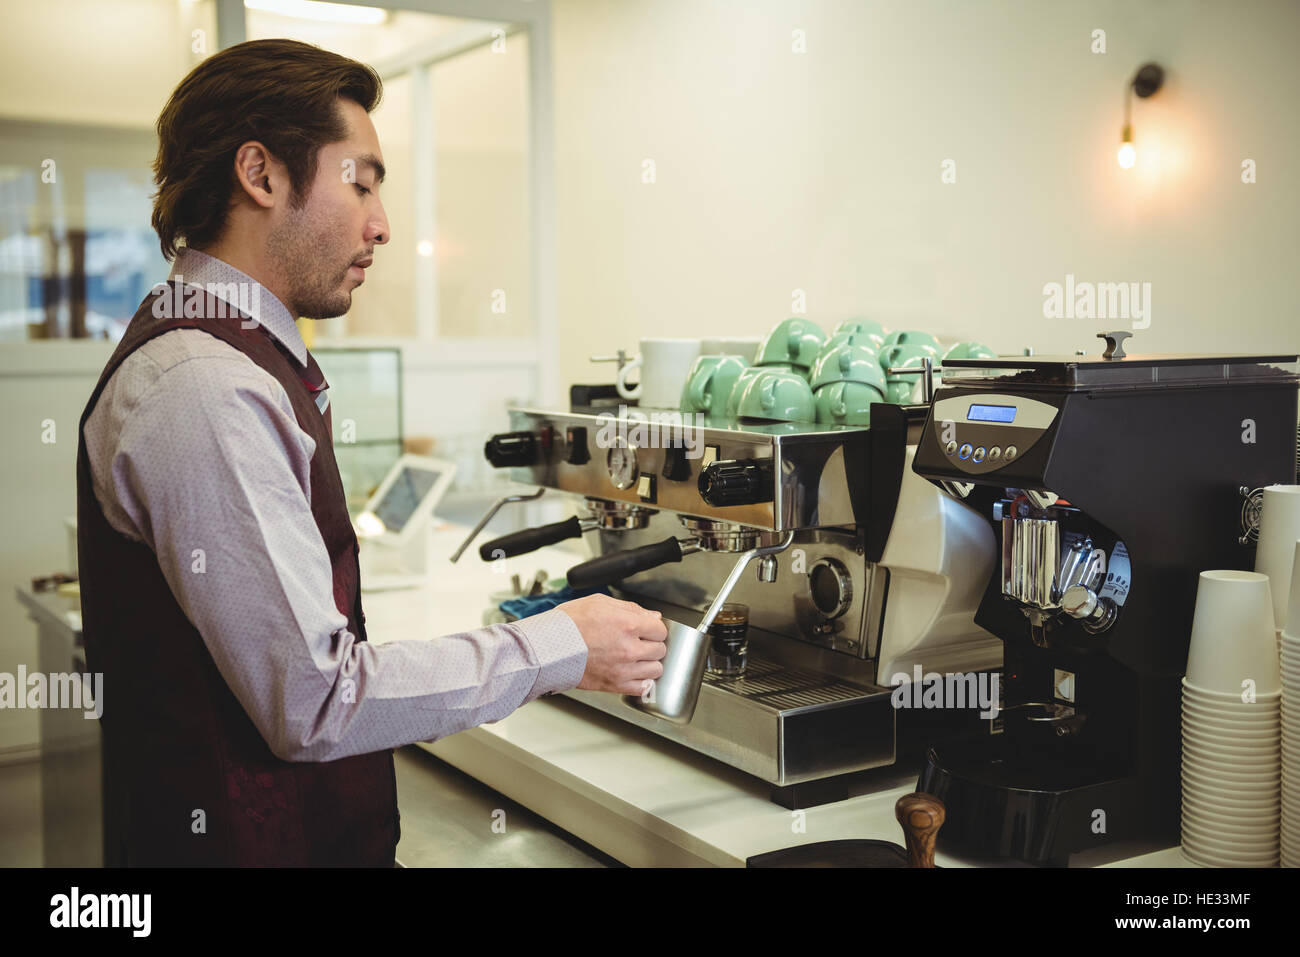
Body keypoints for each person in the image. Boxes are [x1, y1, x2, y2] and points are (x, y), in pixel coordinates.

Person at [75, 38, 667, 867]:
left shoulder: (231, 357)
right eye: (361, 181)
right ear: (262, 174)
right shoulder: (202, 386)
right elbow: (317, 700)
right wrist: (562, 643)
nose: (382, 225)